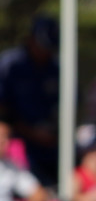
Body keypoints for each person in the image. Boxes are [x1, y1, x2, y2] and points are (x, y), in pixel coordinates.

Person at [0, 16, 60, 187]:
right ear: (31, 39)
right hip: (17, 144)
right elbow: (3, 110)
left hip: (52, 144)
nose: (46, 52)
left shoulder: (55, 67)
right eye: (43, 46)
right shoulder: (10, 65)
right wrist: (30, 132)